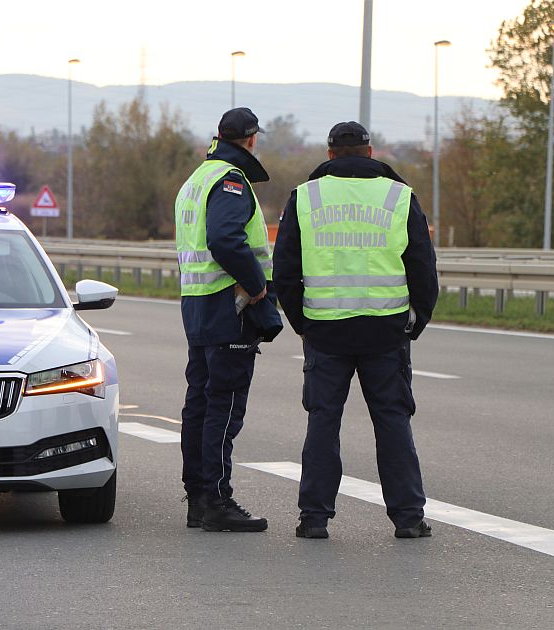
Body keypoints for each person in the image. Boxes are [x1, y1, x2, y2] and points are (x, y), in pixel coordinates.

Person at [273, 121, 439, 539]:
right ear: (370, 152)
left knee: (323, 423)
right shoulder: (398, 196)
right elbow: (422, 264)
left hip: (326, 332)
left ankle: (313, 518)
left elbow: (286, 268)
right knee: (393, 422)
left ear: (330, 155)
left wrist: (302, 322)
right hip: (385, 331)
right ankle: (408, 518)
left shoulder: (305, 197)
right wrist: (415, 321)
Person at [174, 107, 273, 532]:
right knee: (224, 406)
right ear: (251, 140)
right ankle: (217, 498)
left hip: (197, 304)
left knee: (199, 403)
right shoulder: (231, 180)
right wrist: (256, 285)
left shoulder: (197, 178)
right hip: (227, 305)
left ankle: (198, 498)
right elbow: (224, 239)